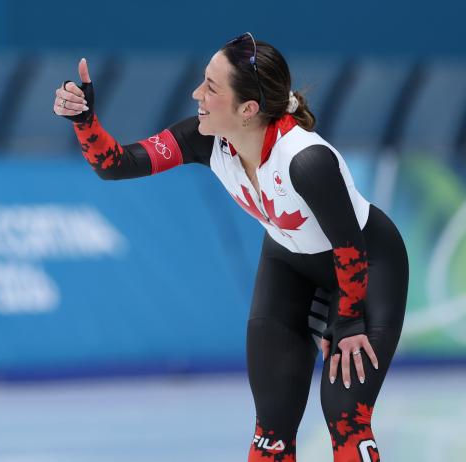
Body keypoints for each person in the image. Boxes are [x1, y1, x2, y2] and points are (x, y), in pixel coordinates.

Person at [53, 33, 408, 462]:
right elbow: (117, 165)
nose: (196, 94)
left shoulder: (305, 161)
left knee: (344, 413)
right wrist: (85, 119)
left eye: (210, 87)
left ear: (248, 109)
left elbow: (350, 247)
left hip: (366, 267)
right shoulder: (205, 140)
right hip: (289, 265)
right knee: (271, 427)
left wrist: (348, 322)